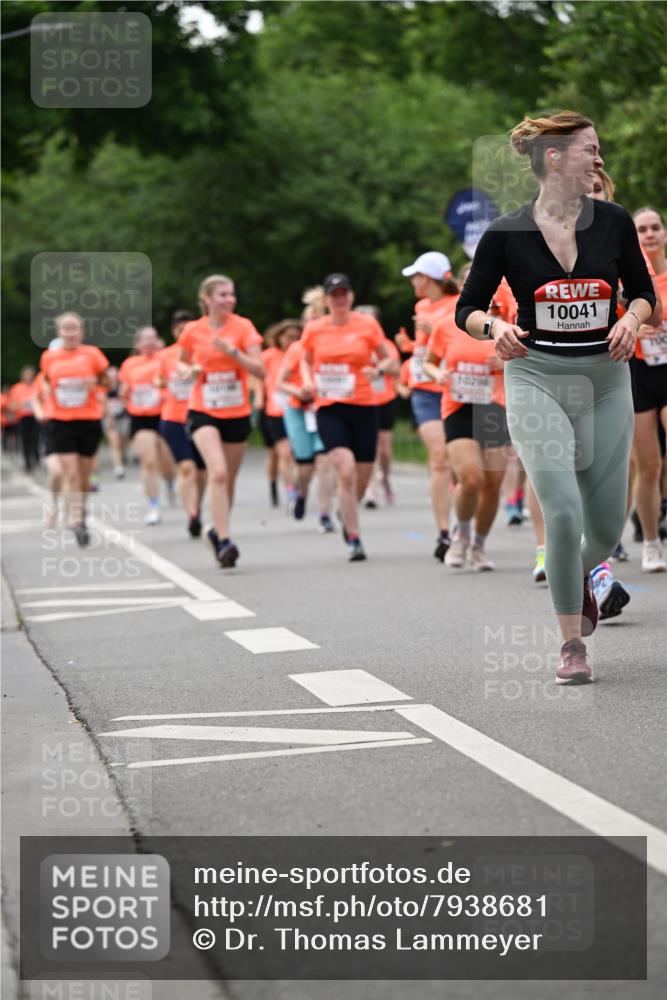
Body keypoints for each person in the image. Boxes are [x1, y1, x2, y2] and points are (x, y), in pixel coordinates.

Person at [456, 110, 655, 684]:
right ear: (555, 158)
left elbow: (645, 296)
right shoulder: (505, 233)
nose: (599, 158)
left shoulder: (614, 223)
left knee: (608, 529)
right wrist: (494, 329)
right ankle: (572, 644)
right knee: (563, 514)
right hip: (536, 375)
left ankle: (581, 579)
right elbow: (465, 308)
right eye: (589, 149)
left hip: (605, 378)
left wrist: (631, 320)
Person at [300, 273, 393, 561]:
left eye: (344, 293)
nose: (339, 299)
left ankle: (346, 508)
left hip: (364, 405)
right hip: (329, 407)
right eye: (334, 295)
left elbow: (390, 358)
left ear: (350, 297)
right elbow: (304, 360)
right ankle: (354, 538)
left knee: (361, 480)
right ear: (327, 299)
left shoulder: (367, 325)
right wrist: (306, 381)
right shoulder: (315, 329)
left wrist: (378, 370)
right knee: (345, 469)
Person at [178, 273, 264, 567]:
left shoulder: (243, 327)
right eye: (222, 295)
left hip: (236, 411)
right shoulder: (193, 330)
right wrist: (188, 371)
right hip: (203, 409)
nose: (229, 300)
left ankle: (215, 529)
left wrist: (234, 352)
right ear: (207, 299)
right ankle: (226, 541)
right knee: (218, 473)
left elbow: (261, 370)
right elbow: (181, 359)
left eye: (231, 294)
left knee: (228, 479)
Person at [423, 304, 511, 571]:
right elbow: (428, 362)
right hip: (458, 407)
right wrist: (438, 374)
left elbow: (532, 361)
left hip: (495, 408)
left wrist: (508, 362)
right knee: (471, 477)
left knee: (493, 483)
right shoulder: (447, 325)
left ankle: (479, 545)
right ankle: (460, 536)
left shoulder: (506, 325)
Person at [398, 252, 456, 560]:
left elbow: (461, 342)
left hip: (454, 389)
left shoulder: (458, 303)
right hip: (424, 391)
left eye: (417, 276)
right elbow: (423, 351)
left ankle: (465, 525)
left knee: (460, 464)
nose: (413, 282)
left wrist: (434, 331)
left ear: (431, 278)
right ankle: (444, 532)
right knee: (439, 458)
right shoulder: (421, 306)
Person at [39, 313, 109, 546]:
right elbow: (47, 381)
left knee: (84, 475)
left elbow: (108, 381)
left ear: (82, 331)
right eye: (65, 329)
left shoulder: (93, 354)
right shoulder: (49, 357)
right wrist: (48, 391)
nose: (70, 333)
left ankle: (81, 510)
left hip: (88, 419)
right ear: (59, 332)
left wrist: (96, 383)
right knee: (71, 472)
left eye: (74, 328)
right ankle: (76, 518)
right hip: (61, 420)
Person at [630, 206, 667, 571]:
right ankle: (651, 541)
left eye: (655, 227)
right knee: (649, 467)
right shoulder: (630, 277)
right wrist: (633, 326)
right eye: (642, 230)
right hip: (640, 373)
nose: (650, 234)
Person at [276, 330, 336, 532]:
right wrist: (299, 392)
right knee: (305, 467)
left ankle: (325, 515)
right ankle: (301, 494)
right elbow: (280, 382)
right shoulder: (297, 349)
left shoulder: (334, 346)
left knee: (324, 462)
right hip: (298, 411)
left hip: (324, 410)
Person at [118, 327, 175, 526]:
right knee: (149, 462)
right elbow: (123, 390)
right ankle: (154, 506)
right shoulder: (129, 364)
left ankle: (169, 482)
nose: (149, 342)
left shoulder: (165, 359)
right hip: (141, 417)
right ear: (138, 344)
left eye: (153, 338)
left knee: (168, 462)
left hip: (166, 414)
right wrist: (125, 394)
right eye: (145, 339)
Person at [157, 311, 207, 538]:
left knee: (202, 472)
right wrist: (161, 382)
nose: (185, 333)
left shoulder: (204, 352)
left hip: (201, 416)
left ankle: (197, 504)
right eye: (180, 330)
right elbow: (158, 379)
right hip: (173, 418)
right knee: (186, 468)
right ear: (174, 332)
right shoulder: (166, 355)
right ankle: (193, 515)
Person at [356, 305, 400, 507]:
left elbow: (395, 367)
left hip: (384, 399)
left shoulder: (387, 345)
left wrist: (379, 367)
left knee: (384, 450)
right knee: (368, 448)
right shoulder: (353, 343)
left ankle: (386, 479)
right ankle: (370, 490)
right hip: (363, 400)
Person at [257, 320, 300, 512]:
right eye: (288, 336)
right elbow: (256, 377)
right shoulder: (268, 356)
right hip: (273, 411)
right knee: (276, 454)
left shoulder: (300, 353)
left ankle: (293, 491)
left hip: (296, 409)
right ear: (279, 337)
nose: (292, 340)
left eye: (295, 337)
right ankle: (275, 486)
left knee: (290, 453)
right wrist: (259, 396)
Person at [32, 354, 64, 527]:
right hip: (51, 426)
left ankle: (72, 511)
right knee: (56, 471)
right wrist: (39, 413)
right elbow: (35, 398)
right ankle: (53, 502)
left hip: (73, 425)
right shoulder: (42, 377)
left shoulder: (77, 370)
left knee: (72, 471)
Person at [8, 367, 40, 472]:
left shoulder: (37, 386)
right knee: (25, 441)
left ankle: (37, 461)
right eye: (27, 374)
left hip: (35, 417)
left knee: (35, 440)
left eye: (30, 374)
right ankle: (27, 463)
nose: (29, 377)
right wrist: (19, 405)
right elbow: (11, 405)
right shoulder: (17, 388)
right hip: (23, 418)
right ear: (22, 376)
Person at [103, 367, 129, 479]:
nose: (112, 378)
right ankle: (118, 466)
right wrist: (109, 417)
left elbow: (127, 399)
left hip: (122, 417)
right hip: (109, 418)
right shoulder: (104, 388)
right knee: (115, 441)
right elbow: (102, 403)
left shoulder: (122, 386)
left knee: (123, 440)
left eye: (114, 376)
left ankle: (122, 458)